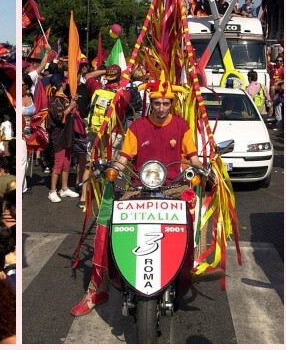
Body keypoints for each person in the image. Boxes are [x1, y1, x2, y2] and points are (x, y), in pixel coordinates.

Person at [71, 77, 205, 316]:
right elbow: (123, 159)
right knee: (106, 224)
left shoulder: (182, 126)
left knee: (196, 211)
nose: (161, 108)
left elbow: (192, 157)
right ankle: (96, 288)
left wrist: (202, 169)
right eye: (157, 103)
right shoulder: (137, 127)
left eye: (166, 103)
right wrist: (113, 169)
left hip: (174, 186)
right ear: (150, 103)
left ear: (171, 104)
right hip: (139, 187)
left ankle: (195, 263)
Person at [46, 74, 79, 203]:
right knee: (59, 163)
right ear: (61, 84)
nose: (66, 84)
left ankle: (64, 188)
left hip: (68, 133)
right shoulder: (54, 100)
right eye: (64, 82)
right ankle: (52, 191)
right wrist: (70, 106)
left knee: (67, 161)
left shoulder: (64, 97)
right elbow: (59, 117)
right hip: (59, 134)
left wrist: (72, 102)